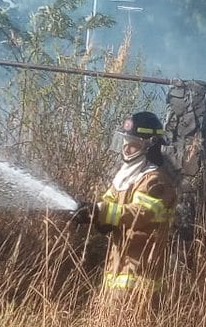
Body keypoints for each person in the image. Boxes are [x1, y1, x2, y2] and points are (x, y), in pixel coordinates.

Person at [72, 110, 177, 304]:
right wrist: (91, 213)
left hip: (140, 274)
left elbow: (140, 213)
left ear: (149, 147)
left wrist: (102, 212)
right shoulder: (125, 177)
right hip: (118, 267)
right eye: (125, 143)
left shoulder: (156, 180)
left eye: (133, 145)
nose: (126, 149)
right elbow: (109, 202)